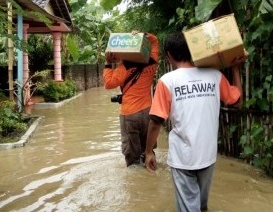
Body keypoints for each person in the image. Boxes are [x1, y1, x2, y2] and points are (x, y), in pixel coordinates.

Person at [144, 31, 246, 212]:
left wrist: (149, 151)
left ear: (169, 56)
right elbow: (238, 102)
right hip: (207, 156)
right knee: (201, 205)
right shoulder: (215, 76)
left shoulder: (167, 81)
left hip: (183, 159)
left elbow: (156, 122)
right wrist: (236, 70)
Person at [103, 30, 159, 167]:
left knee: (132, 155)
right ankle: (150, 168)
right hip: (148, 112)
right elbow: (155, 41)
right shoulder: (152, 62)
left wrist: (108, 63)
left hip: (130, 114)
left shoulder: (124, 68)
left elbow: (108, 84)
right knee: (148, 149)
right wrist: (143, 35)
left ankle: (136, 183)